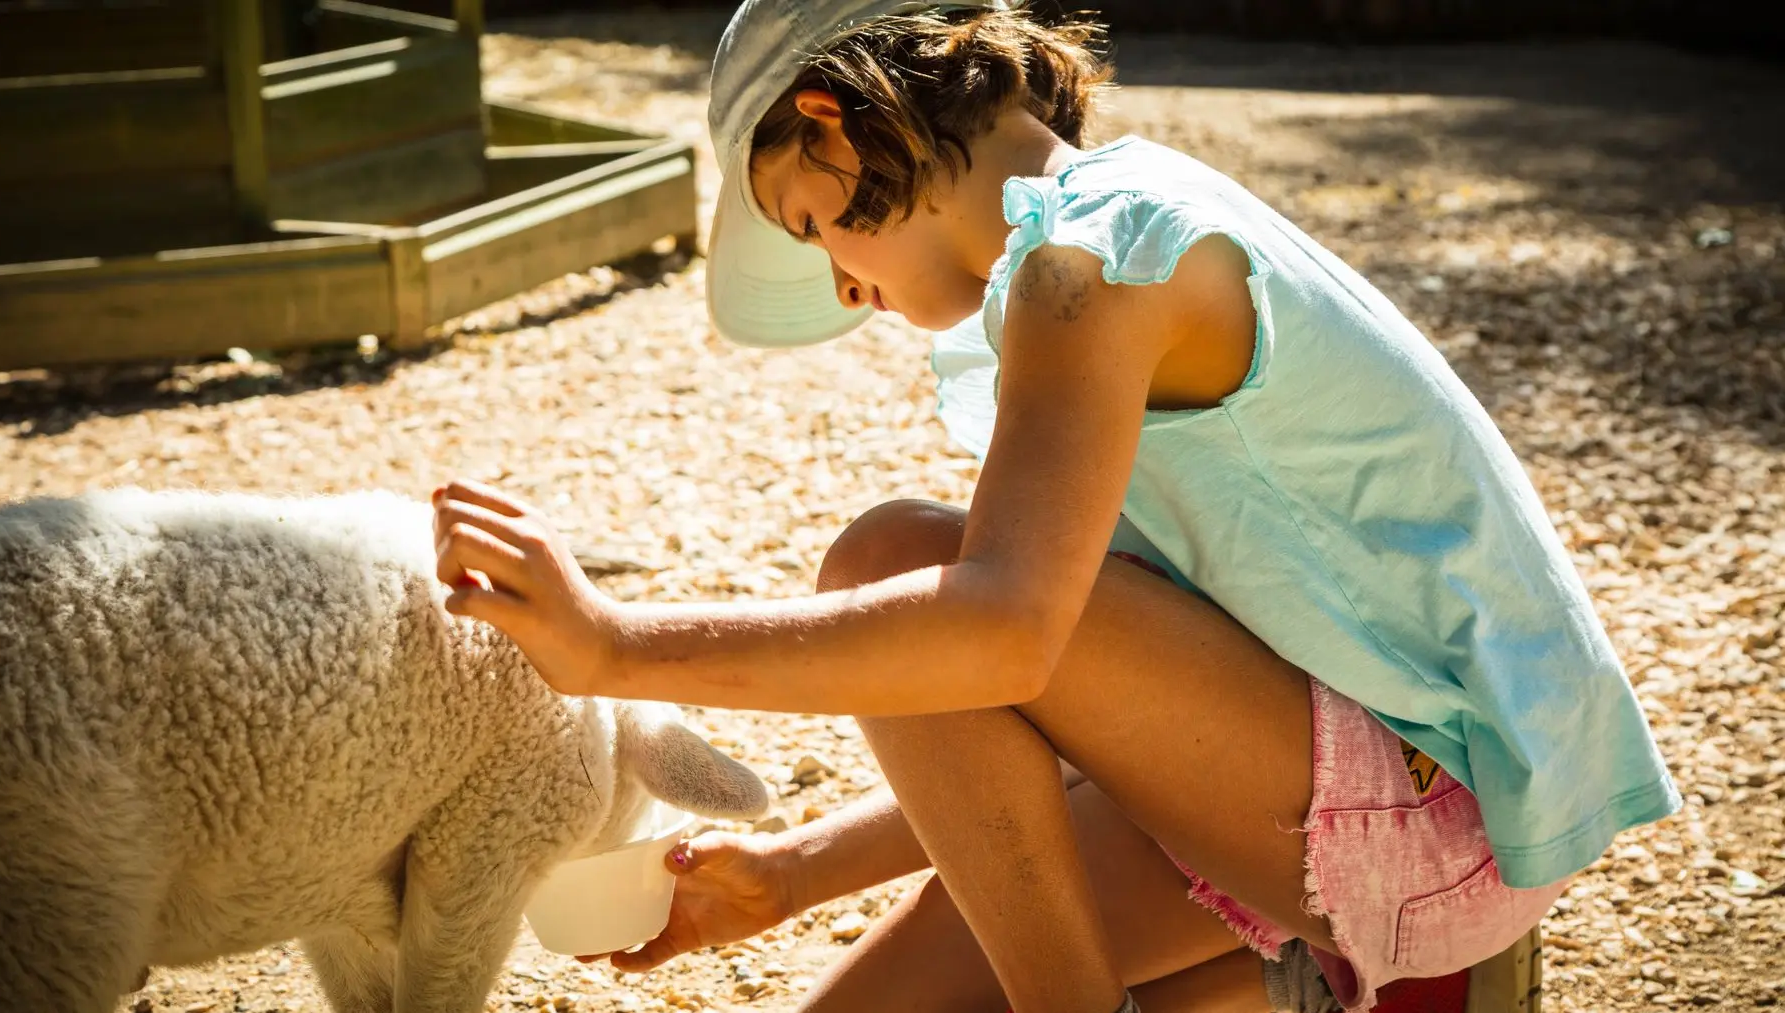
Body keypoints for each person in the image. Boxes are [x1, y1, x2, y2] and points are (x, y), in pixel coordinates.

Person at [428, 1, 1680, 1010]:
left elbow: (1006, 634)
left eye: (813, 227)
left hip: (1423, 814)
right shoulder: (1111, 222)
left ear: (834, 121)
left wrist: (612, 645)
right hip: (1329, 796)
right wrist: (796, 874)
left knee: (894, 558)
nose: (844, 287)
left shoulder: (1096, 263)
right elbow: (1040, 696)